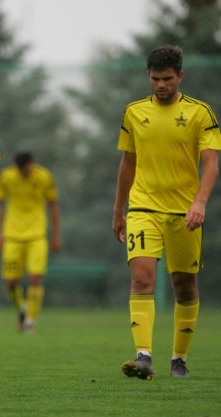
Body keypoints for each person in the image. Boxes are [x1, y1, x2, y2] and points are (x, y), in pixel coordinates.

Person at [112, 45, 221, 380]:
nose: (161, 85)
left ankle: (179, 360)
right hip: (143, 207)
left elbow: (211, 164)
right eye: (156, 78)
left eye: (168, 79)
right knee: (142, 277)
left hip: (184, 212)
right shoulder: (133, 112)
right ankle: (143, 356)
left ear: (180, 77)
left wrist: (199, 202)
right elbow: (127, 163)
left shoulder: (201, 113)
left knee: (185, 285)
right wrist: (119, 211)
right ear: (148, 76)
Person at [0, 152, 61, 333]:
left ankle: (30, 321)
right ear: (17, 167)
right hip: (12, 236)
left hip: (37, 235)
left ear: (33, 164)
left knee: (35, 278)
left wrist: (56, 235)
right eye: (22, 170)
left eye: (28, 168)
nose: (26, 172)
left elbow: (53, 205)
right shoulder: (7, 177)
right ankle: (23, 309)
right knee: (11, 282)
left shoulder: (44, 177)